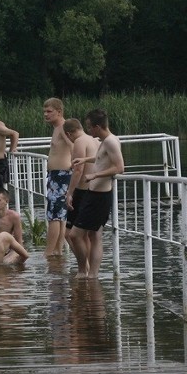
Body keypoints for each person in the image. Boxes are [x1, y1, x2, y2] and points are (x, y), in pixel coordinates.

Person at [70, 109, 125, 279]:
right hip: (94, 194)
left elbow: (120, 167)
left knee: (75, 235)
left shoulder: (111, 142)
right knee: (94, 235)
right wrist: (86, 160)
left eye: (89, 127)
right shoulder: (106, 141)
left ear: (98, 126)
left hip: (100, 196)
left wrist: (94, 175)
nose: (88, 131)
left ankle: (85, 272)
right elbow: (102, 159)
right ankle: (90, 274)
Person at [63, 118, 100, 276]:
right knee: (88, 235)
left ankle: (83, 269)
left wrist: (70, 192)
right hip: (95, 190)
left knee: (70, 234)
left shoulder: (79, 141)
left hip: (82, 190)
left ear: (69, 133)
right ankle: (90, 271)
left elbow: (78, 170)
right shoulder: (95, 141)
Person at [43, 98, 73, 257]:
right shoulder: (57, 128)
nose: (45, 114)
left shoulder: (63, 127)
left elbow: (74, 146)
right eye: (44, 111)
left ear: (59, 112)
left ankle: (48, 252)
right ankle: (57, 251)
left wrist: (74, 164)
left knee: (54, 216)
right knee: (59, 216)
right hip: (56, 175)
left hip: (62, 175)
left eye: (49, 111)